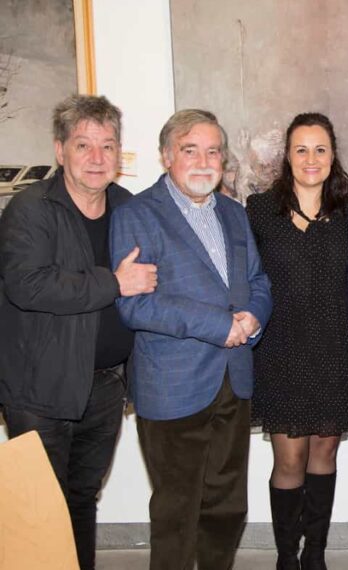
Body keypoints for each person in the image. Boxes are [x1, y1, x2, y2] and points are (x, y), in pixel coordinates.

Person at [110, 109, 272, 570]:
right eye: (190, 150)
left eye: (213, 151)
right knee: (176, 511)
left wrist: (253, 319)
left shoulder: (235, 215)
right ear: (166, 156)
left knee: (227, 507)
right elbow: (136, 305)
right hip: (172, 385)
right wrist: (219, 325)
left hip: (234, 380)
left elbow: (258, 281)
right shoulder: (137, 215)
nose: (204, 161)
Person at [0, 94, 157, 570]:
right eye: (83, 145)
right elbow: (28, 285)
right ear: (59, 150)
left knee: (82, 497)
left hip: (107, 385)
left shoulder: (128, 208)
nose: (96, 158)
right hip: (39, 388)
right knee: (38, 508)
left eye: (107, 146)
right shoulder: (29, 210)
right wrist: (115, 282)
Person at [246, 112, 348, 570]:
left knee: (325, 451)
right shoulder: (259, 211)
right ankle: (285, 556)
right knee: (290, 457)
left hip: (337, 350)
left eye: (320, 149)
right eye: (301, 149)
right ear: (287, 157)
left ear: (333, 156)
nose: (310, 159)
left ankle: (315, 553)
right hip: (281, 352)